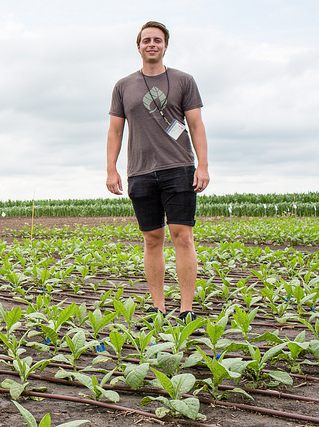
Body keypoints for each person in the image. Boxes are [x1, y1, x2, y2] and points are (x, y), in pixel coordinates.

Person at [105, 21, 209, 322]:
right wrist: (111, 169)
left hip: (178, 167)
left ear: (165, 46)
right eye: (146, 40)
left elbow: (196, 125)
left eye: (158, 40)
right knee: (152, 239)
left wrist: (202, 164)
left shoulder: (184, 81)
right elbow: (115, 131)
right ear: (139, 46)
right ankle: (158, 306)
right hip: (140, 171)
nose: (152, 44)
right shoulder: (123, 86)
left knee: (183, 237)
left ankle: (187, 308)